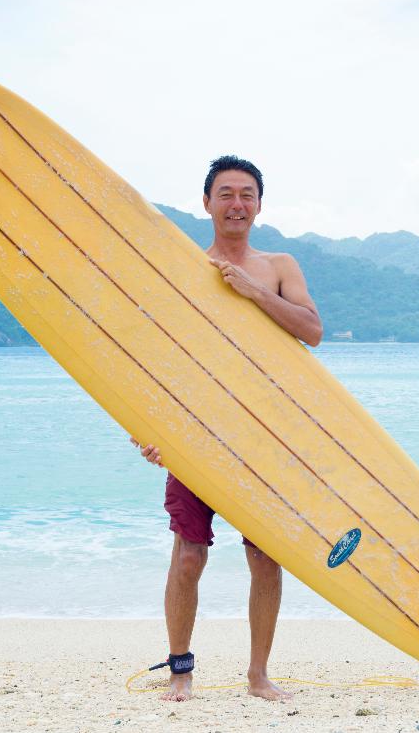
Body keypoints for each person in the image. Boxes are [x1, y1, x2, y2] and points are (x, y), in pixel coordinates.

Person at [130, 155, 323, 702]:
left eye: (246, 195)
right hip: (196, 432)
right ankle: (180, 670)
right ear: (207, 203)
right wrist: (144, 431)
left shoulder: (279, 266)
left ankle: (258, 675)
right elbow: (151, 359)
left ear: (259, 205)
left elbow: (312, 331)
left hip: (265, 434)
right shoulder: (182, 268)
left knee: (265, 556)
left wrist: (255, 293)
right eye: (226, 194)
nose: (237, 204)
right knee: (189, 555)